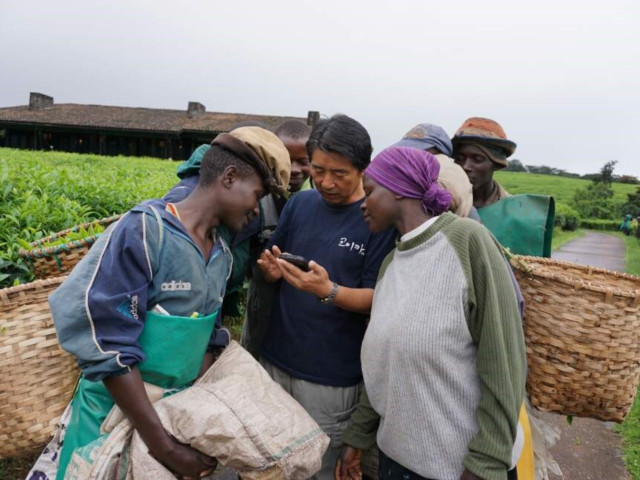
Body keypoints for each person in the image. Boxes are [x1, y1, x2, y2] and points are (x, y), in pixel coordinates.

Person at [29, 133, 273, 480]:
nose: (256, 209)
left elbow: (205, 342)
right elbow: (110, 344)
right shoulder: (146, 231)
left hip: (168, 419)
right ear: (229, 177)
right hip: (111, 416)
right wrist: (164, 447)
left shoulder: (220, 256)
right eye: (257, 196)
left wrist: (185, 427)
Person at [337, 146, 526, 480]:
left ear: (397, 188)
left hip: (462, 470)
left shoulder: (468, 242)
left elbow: (504, 363)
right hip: (397, 463)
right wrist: (359, 434)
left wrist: (486, 463)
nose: (363, 204)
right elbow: (384, 362)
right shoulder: (391, 265)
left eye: (369, 192)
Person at [257, 114, 397, 480]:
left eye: (340, 173)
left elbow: (379, 299)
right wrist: (270, 270)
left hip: (331, 379)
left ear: (363, 170)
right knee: (268, 461)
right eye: (319, 170)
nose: (326, 182)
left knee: (317, 468)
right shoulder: (300, 205)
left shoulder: (376, 218)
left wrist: (329, 291)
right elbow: (273, 257)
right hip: (276, 361)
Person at [241, 120, 313, 357]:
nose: (293, 169)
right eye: (286, 159)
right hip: (262, 301)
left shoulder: (316, 202)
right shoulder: (255, 203)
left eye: (303, 161)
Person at [452, 117, 516, 209]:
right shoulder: (439, 205)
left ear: (496, 163)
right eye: (459, 158)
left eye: (478, 159)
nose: (465, 166)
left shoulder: (511, 210)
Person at [275, 119, 313, 193]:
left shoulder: (322, 195)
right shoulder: (260, 197)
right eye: (286, 162)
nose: (294, 169)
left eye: (303, 162)